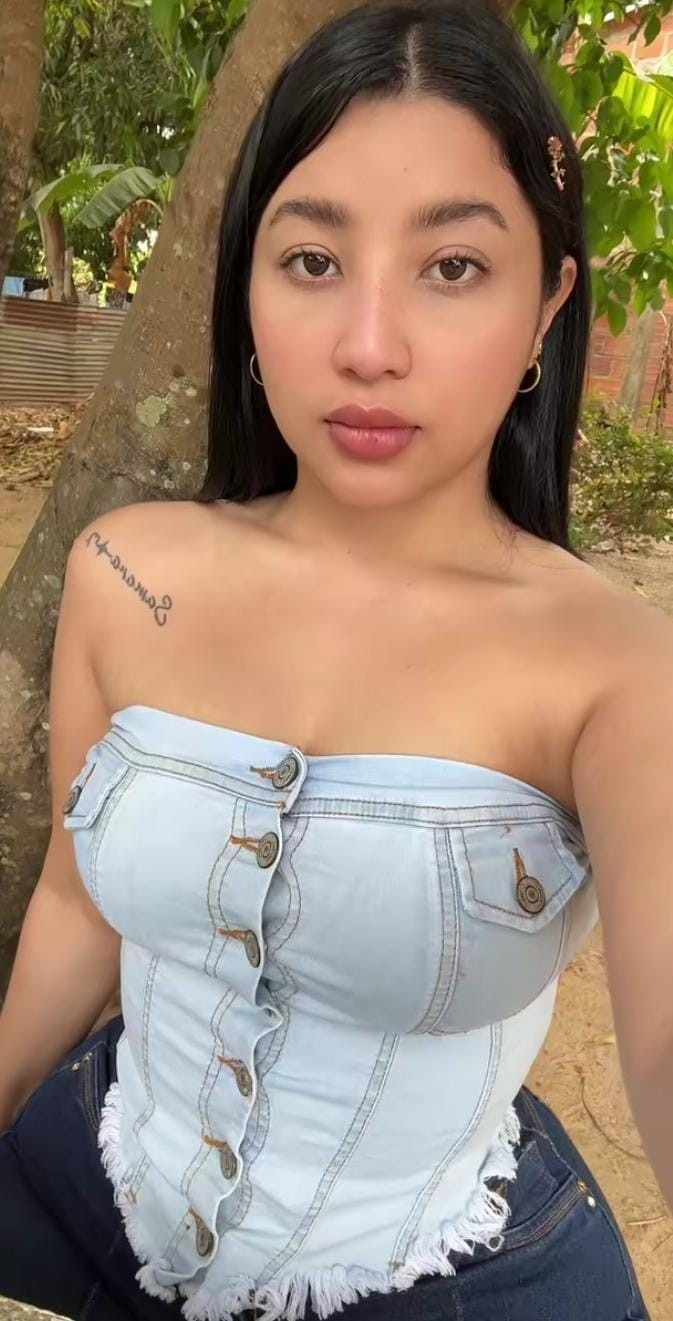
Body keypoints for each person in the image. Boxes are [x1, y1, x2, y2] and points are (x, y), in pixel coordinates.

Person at [0, 2, 669, 1318]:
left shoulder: (617, 671)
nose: (368, 345)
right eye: (311, 259)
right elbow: (78, 907)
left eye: (452, 266)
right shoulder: (126, 572)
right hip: (101, 1187)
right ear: (245, 284)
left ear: (548, 304)